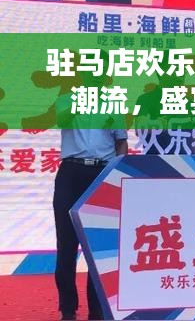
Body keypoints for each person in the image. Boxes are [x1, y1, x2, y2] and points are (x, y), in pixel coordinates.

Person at [54, 54, 128, 320]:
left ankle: (96, 311)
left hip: (100, 173)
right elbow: (62, 120)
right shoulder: (67, 98)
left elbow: (121, 143)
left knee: (97, 247)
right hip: (71, 172)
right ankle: (68, 310)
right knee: (66, 244)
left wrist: (115, 174)